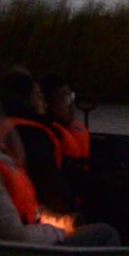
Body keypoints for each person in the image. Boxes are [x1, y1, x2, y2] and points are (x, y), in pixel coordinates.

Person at [0, 85, 119, 246]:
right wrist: (57, 231)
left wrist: (58, 221)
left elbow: (15, 214)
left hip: (7, 247)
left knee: (79, 222)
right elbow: (15, 236)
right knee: (106, 233)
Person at [0, 66, 75, 216]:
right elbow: (51, 187)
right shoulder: (33, 135)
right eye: (39, 97)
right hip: (35, 219)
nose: (44, 104)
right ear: (25, 99)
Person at [38, 72, 90, 208]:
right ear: (47, 104)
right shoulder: (45, 138)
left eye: (71, 97)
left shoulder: (76, 129)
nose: (71, 104)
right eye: (65, 99)